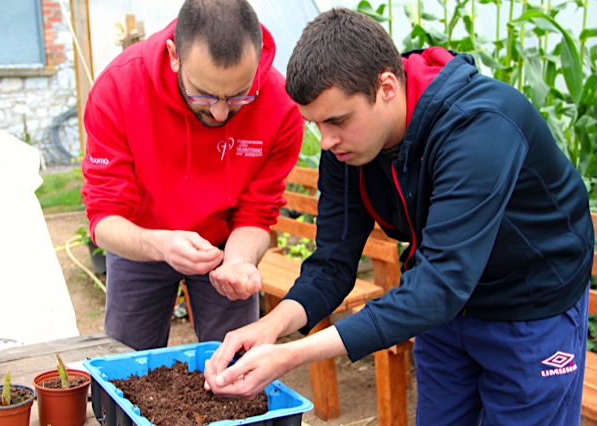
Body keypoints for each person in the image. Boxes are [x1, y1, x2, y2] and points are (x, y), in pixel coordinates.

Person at [204, 8, 594, 425]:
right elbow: (334, 263)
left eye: (337, 120)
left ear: (386, 86)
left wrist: (290, 355)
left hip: (530, 307)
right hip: (444, 312)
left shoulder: (479, 127)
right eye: (316, 124)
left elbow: (441, 283)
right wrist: (271, 326)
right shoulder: (347, 146)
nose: (327, 140)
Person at [80, 0, 303, 351]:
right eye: (204, 93)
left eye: (238, 96)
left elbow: (257, 214)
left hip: (225, 246)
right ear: (174, 56)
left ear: (258, 62)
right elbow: (105, 219)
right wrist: (163, 245)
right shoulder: (118, 89)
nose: (218, 112)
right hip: (142, 241)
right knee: (126, 361)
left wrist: (238, 262)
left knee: (234, 365)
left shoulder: (280, 107)